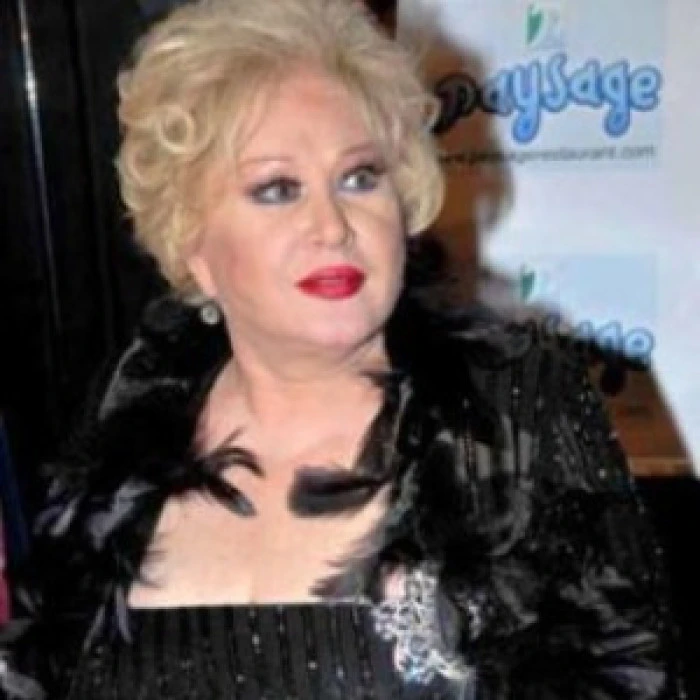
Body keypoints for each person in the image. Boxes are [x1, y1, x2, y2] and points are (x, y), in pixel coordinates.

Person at [0, 0, 684, 697]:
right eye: (277, 189)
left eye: (360, 178)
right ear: (193, 244)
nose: (332, 225)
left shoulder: (516, 413)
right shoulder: (122, 434)